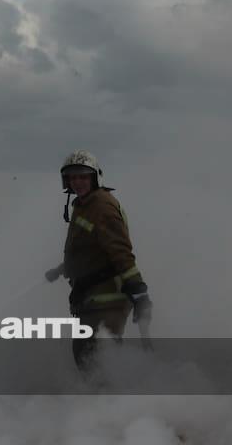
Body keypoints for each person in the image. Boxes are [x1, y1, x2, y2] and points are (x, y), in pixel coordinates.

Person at [45, 150, 153, 372]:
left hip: (107, 300)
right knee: (87, 357)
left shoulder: (102, 207)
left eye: (83, 177)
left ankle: (119, 393)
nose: (77, 182)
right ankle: (106, 392)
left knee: (98, 359)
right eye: (73, 177)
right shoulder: (84, 205)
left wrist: (139, 290)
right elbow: (90, 250)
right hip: (90, 299)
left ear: (95, 178)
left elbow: (121, 252)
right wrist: (63, 268)